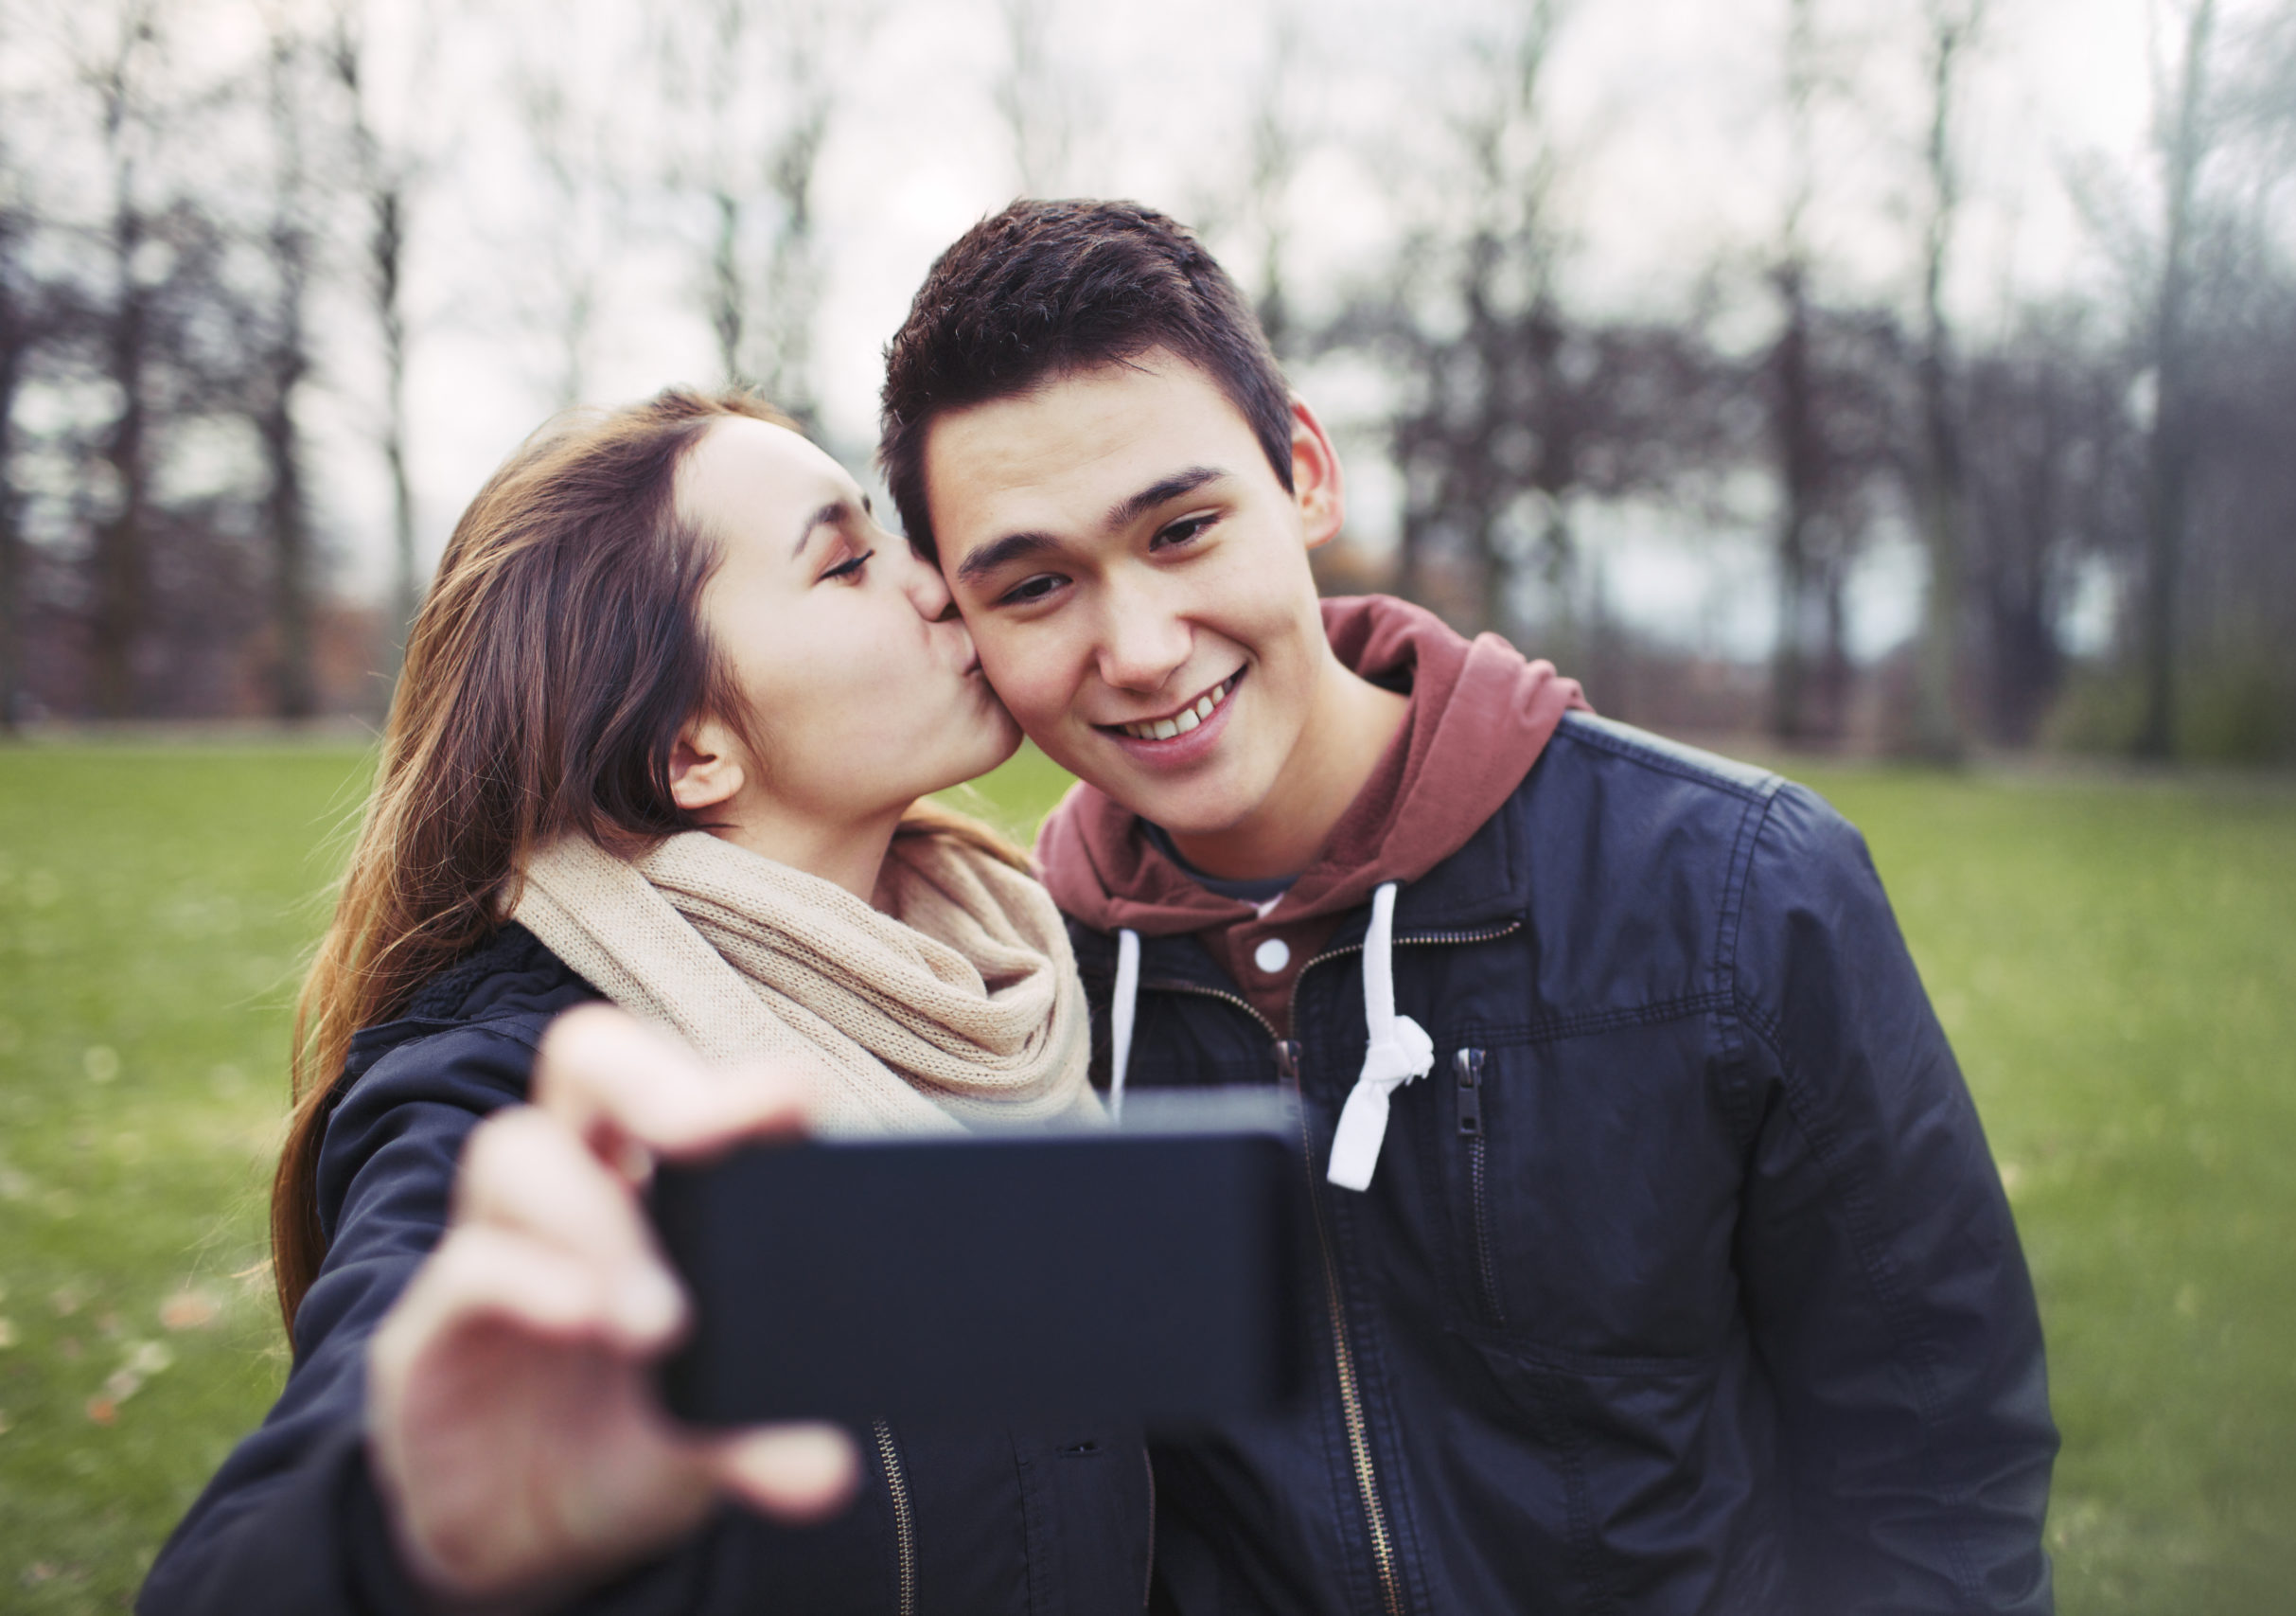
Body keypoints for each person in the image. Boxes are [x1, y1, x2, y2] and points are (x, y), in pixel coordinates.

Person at [875, 199, 2059, 1614]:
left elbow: (1937, 1484)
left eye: (1184, 529)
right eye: (1036, 586)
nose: (1136, 647)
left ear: (1305, 476)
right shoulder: (1004, 1004)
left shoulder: (1739, 891)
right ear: (958, 619)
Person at [140, 390, 1152, 1614]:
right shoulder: (521, 1105)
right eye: (845, 563)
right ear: (694, 750)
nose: (934, 579)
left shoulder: (1015, 981)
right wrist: (405, 1534)